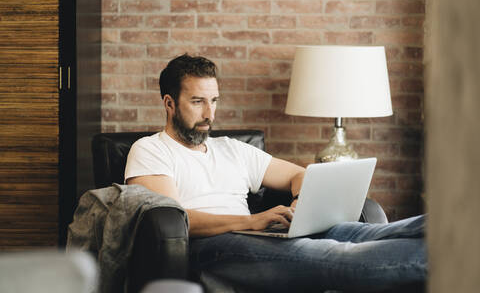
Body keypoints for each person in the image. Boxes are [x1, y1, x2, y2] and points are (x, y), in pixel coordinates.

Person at [125, 54, 426, 292]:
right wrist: (252, 221)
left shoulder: (231, 148)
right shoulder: (151, 150)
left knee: (371, 233)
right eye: (197, 102)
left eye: (214, 101)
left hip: (259, 233)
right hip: (215, 248)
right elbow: (176, 218)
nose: (210, 114)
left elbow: (300, 175)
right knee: (338, 254)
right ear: (169, 103)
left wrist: (302, 203)